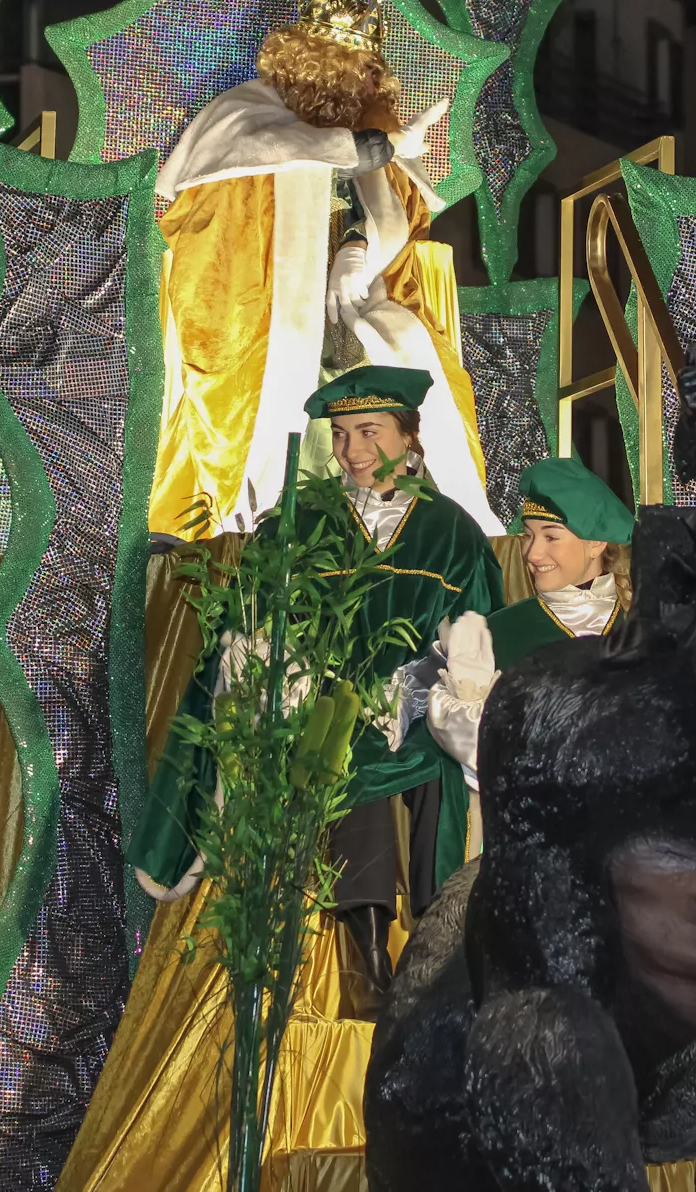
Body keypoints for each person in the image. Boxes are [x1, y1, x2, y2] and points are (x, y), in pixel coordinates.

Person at [132, 366, 503, 999]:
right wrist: (296, 673)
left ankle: (436, 942)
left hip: (417, 712)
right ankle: (368, 952)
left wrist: (414, 691)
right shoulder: (296, 525)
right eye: (339, 435)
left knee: (431, 767)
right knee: (343, 763)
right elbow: (251, 626)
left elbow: (475, 636)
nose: (353, 452)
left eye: (369, 431)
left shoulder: (454, 532)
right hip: (320, 710)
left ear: (410, 436)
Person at [147, 0, 499, 540]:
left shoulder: (375, 137)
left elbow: (402, 238)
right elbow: (217, 226)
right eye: (341, 64)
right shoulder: (242, 120)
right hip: (266, 321)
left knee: (406, 379)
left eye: (366, 70)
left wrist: (360, 245)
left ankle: (403, 536)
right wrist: (366, 153)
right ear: (304, 62)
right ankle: (266, 535)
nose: (355, 79)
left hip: (358, 322)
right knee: (296, 416)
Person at [418, 457, 637, 803]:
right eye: (528, 535)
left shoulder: (648, 627)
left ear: (596, 543)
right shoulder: (497, 633)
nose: (533, 553)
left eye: (551, 537)